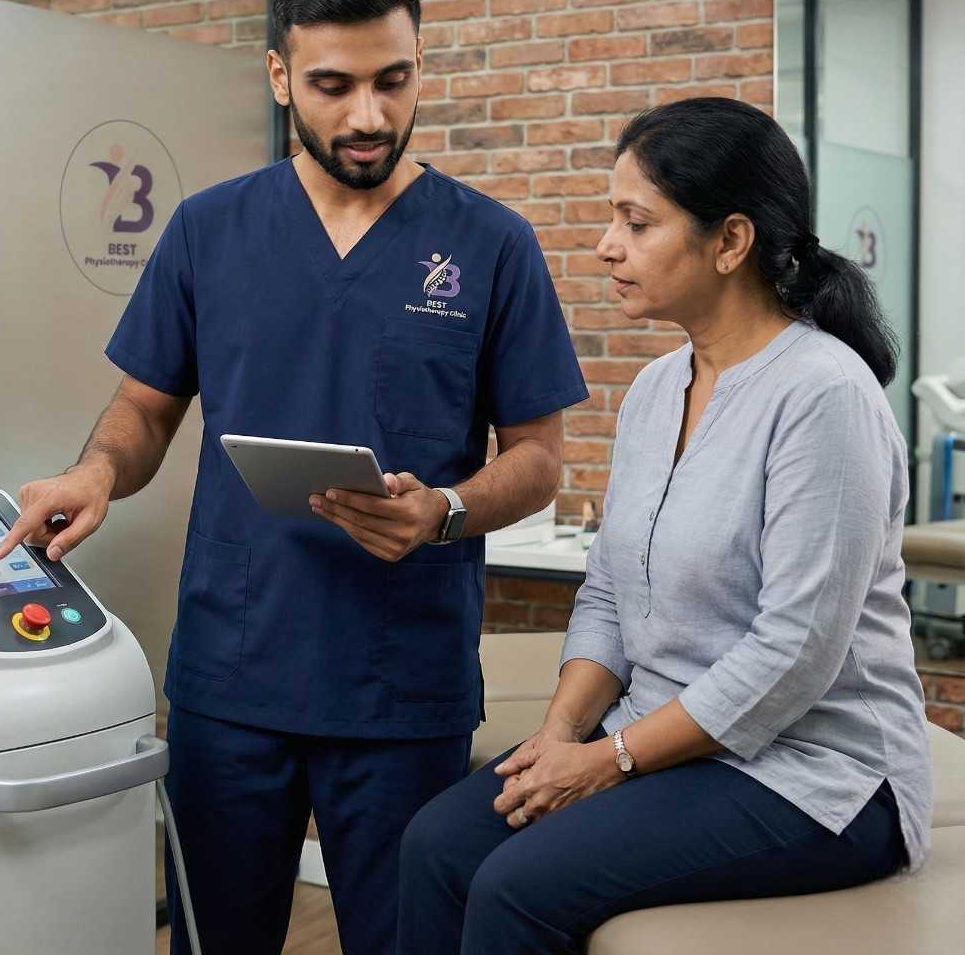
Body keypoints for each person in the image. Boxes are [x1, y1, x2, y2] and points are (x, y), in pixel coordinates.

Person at [0, 0, 588, 954]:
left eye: (391, 79)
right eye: (333, 84)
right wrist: (96, 470)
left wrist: (441, 509)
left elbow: (536, 456)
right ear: (279, 78)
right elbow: (144, 407)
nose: (367, 114)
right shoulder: (206, 230)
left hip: (402, 685)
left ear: (416, 65)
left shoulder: (489, 244)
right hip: (234, 676)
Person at [398, 96, 933, 955]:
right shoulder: (655, 392)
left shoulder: (825, 398)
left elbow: (794, 650)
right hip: (662, 740)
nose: (607, 244)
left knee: (516, 888)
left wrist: (606, 763)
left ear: (730, 242)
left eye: (636, 222)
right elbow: (609, 589)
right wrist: (561, 735)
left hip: (816, 775)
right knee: (436, 845)